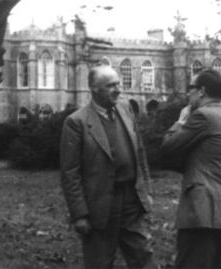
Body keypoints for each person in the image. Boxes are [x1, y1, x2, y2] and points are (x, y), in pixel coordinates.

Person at [60, 65, 155, 269]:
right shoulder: (77, 122)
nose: (118, 89)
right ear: (94, 89)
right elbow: (70, 173)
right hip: (99, 206)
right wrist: (80, 214)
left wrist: (146, 190)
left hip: (131, 199)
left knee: (144, 257)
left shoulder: (126, 110)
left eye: (118, 84)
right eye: (111, 86)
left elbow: (140, 153)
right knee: (99, 262)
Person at [161, 69, 221, 269]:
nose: (188, 94)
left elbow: (168, 147)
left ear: (202, 91)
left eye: (191, 88)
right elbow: (204, 160)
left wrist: (180, 121)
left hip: (203, 213)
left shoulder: (202, 116)